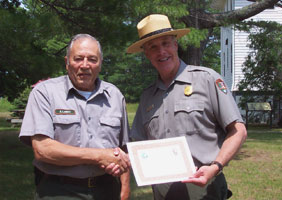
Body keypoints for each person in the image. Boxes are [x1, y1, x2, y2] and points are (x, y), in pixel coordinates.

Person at [127, 14, 247, 200]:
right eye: (153, 47)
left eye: (166, 43)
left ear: (176, 45)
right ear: (147, 54)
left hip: (206, 187)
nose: (161, 52)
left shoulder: (206, 79)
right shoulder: (147, 97)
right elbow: (138, 146)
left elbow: (238, 130)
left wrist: (216, 166)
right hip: (163, 191)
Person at [19, 34, 131, 200]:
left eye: (92, 59)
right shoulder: (45, 93)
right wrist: (99, 156)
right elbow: (42, 150)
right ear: (67, 62)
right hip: (59, 191)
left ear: (100, 64)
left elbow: (123, 149)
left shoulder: (114, 95)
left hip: (107, 189)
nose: (85, 65)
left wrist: (125, 187)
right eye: (78, 58)